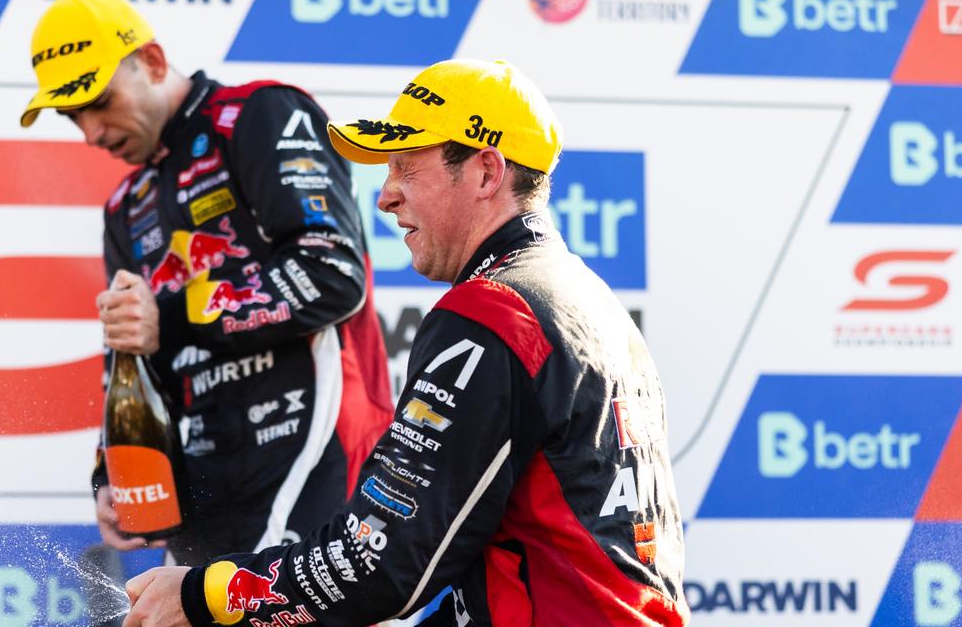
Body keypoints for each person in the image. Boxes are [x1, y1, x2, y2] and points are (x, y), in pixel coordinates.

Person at [120, 58, 689, 626]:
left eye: (406, 169)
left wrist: (203, 596)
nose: (384, 197)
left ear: (487, 173)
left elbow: (380, 560)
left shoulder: (492, 313)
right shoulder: (590, 302)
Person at [20, 0, 395, 566]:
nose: (91, 132)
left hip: (316, 453)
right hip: (206, 484)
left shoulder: (261, 114)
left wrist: (169, 317)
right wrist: (113, 468)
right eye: (73, 116)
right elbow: (128, 359)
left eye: (98, 102)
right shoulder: (126, 204)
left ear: (151, 61)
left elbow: (333, 273)